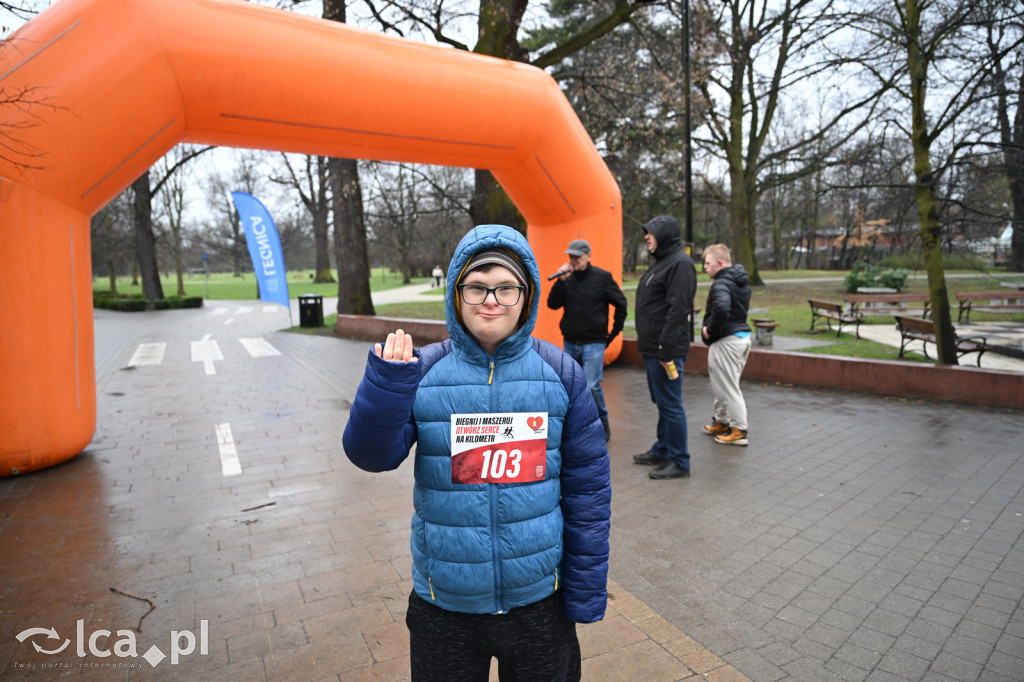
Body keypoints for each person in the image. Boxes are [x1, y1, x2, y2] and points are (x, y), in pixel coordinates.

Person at [343, 225, 611, 682]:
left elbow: (589, 493)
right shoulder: (423, 371)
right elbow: (371, 456)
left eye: (506, 288)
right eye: (477, 286)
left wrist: (584, 592)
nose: (491, 300)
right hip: (445, 607)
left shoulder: (561, 373)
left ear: (526, 296)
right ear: (456, 293)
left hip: (539, 605)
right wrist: (386, 386)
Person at [632, 216, 698, 480]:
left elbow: (678, 310)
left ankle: (680, 460)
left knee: (671, 405)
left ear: (664, 234)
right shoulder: (663, 262)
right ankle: (663, 448)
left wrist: (666, 348)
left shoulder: (680, 264)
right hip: (654, 348)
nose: (646, 237)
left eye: (651, 232)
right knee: (662, 402)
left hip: (665, 351)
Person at [546, 238, 628, 441]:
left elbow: (621, 303)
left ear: (588, 256)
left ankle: (602, 422)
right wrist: (560, 282)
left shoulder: (602, 277)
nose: (573, 260)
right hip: (570, 341)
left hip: (594, 342)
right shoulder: (567, 279)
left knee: (591, 385)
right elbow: (552, 304)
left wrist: (614, 332)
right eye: (571, 257)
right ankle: (576, 426)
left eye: (577, 256)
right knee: (570, 386)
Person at [700, 244, 752, 445]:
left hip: (726, 341)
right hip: (740, 338)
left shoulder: (721, 283)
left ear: (720, 263)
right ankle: (721, 422)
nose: (705, 267)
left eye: (707, 263)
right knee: (724, 384)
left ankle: (739, 430)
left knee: (728, 387)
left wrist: (710, 330)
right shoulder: (739, 281)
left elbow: (722, 308)